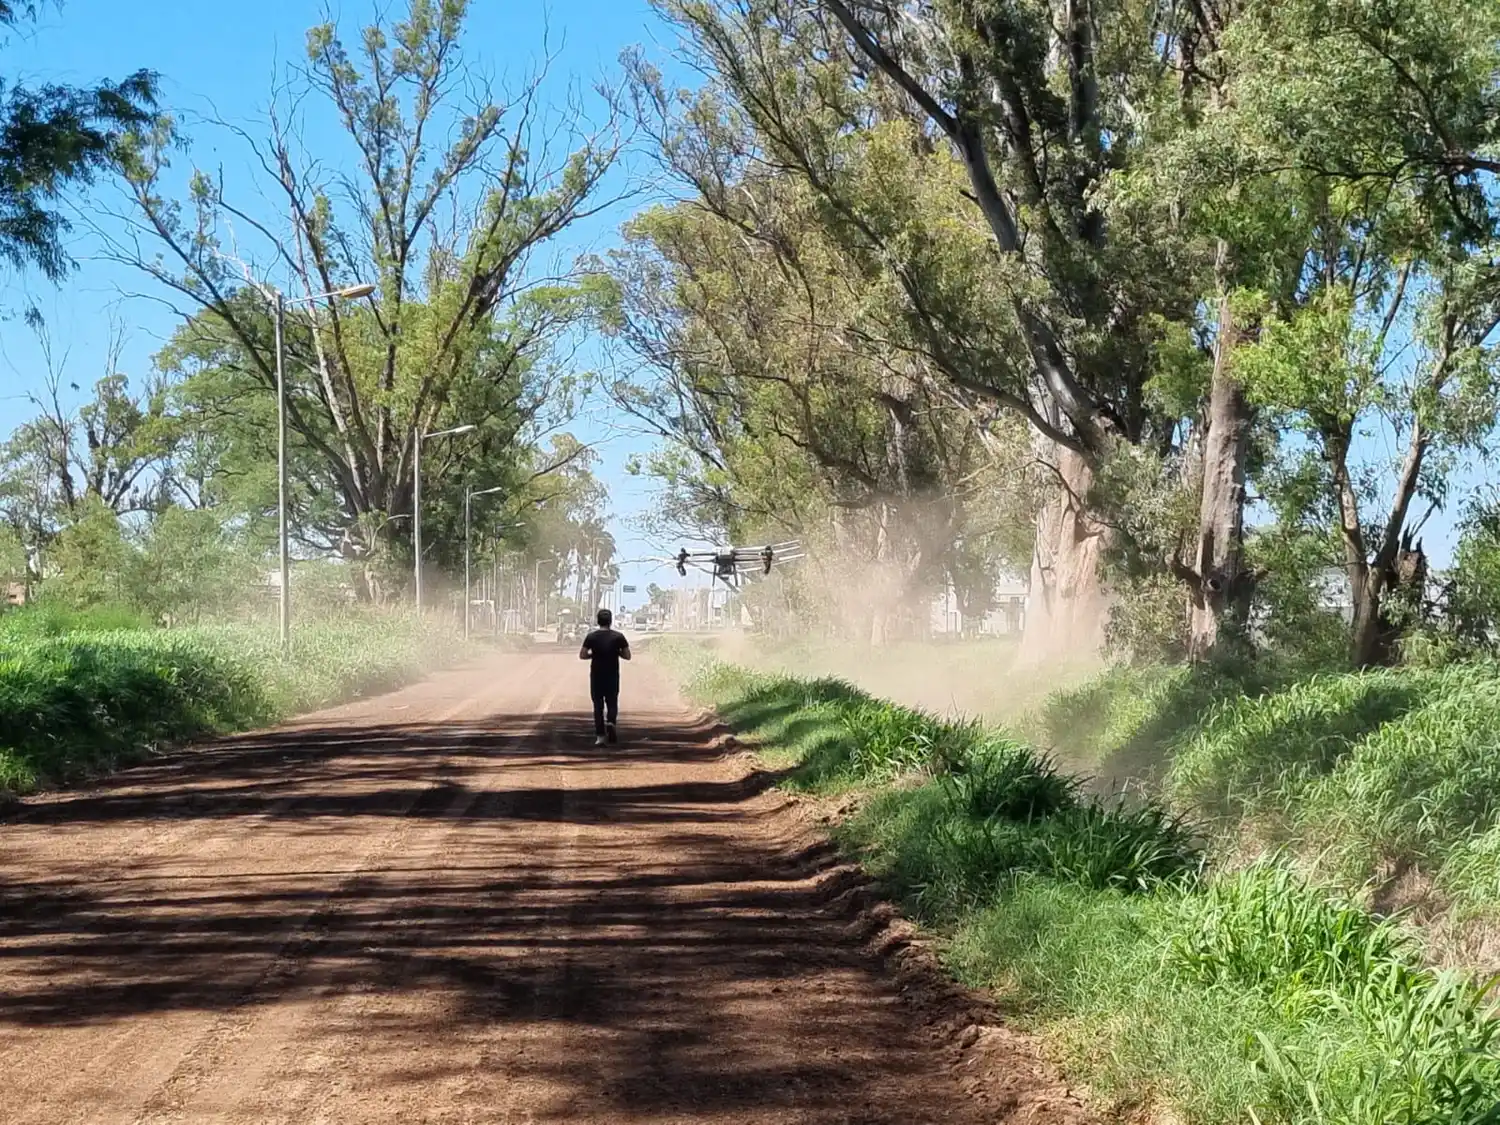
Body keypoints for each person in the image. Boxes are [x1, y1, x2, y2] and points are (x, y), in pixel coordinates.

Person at [579, 608, 631, 746]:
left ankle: (600, 736)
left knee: (598, 706)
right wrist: (616, 652)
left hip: (596, 676)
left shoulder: (591, 637)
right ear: (611, 621)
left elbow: (582, 655)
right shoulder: (618, 637)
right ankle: (611, 722)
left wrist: (593, 655)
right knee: (612, 702)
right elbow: (627, 655)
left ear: (598, 621)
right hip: (612, 675)